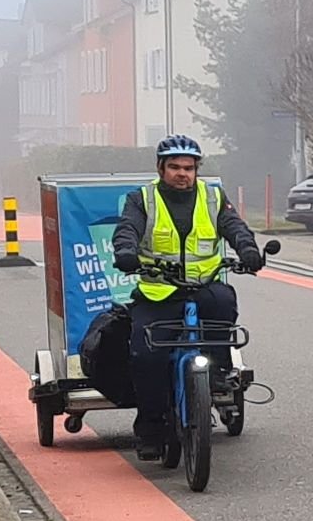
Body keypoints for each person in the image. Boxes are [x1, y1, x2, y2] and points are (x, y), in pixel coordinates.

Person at [109, 135, 266, 459]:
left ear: (196, 170)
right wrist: (125, 252)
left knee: (224, 303)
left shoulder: (212, 197)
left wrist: (248, 250)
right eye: (175, 167)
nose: (182, 173)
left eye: (189, 168)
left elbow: (235, 227)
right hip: (159, 292)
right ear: (161, 169)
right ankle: (151, 428)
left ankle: (217, 375)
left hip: (203, 286)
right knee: (145, 355)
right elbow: (127, 230)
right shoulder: (142, 199)